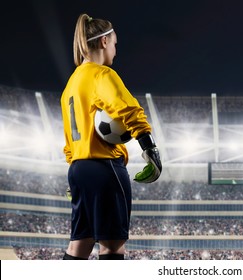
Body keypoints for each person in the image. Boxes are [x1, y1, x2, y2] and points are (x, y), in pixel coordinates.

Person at [60, 13, 162, 260]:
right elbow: (128, 108)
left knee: (79, 245)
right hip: (105, 168)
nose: (116, 50)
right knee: (112, 246)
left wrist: (79, 172)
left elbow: (69, 140)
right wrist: (149, 147)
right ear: (104, 41)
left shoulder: (71, 84)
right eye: (115, 43)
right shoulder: (101, 75)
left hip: (78, 169)